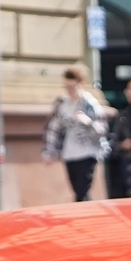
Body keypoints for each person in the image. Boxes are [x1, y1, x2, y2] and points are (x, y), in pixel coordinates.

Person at [41, 66, 113, 201]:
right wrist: (49, 151)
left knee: (82, 190)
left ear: (81, 85)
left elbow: (102, 130)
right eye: (66, 87)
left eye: (72, 87)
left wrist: (88, 122)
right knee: (76, 189)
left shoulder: (90, 104)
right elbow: (53, 128)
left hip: (87, 153)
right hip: (69, 153)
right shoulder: (62, 103)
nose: (69, 91)